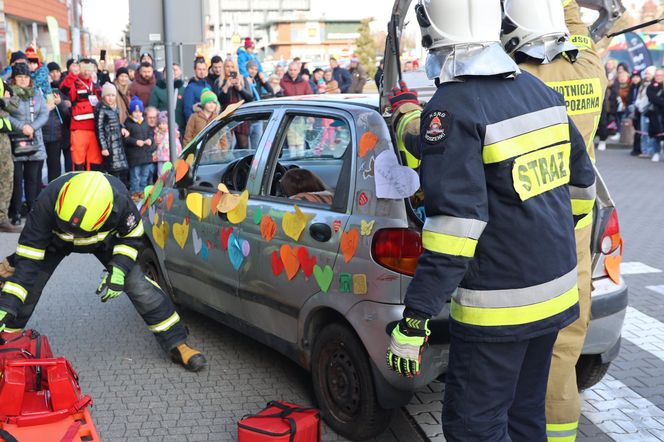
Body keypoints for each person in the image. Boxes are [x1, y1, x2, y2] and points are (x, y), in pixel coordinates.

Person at [386, 2, 595, 441]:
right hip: (556, 293)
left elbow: (454, 230)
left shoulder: (452, 108)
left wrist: (415, 319)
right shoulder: (541, 94)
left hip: (499, 308)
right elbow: (582, 189)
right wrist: (534, 232)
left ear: (432, 30)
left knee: (473, 427)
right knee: (524, 416)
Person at [501, 1, 609, 439]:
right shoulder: (590, 70)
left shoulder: (519, 80)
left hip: (527, 230)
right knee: (565, 347)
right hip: (577, 230)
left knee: (514, 351)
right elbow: (578, 33)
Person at [0, 171, 206, 371]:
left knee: (137, 285)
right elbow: (29, 263)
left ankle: (176, 342)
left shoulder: (122, 203)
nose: (75, 235)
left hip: (105, 243)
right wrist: (7, 306)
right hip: (54, 241)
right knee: (29, 283)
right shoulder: (45, 202)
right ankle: (7, 341)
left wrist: (118, 270)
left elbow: (132, 239)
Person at [7, 63, 49, 227]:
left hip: (35, 141)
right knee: (16, 180)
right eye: (20, 77)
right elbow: (6, 115)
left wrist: (32, 127)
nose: (23, 80)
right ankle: (15, 211)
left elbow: (44, 113)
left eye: (26, 77)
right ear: (14, 79)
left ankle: (33, 210)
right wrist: (22, 127)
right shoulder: (10, 95)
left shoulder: (37, 93)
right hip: (16, 142)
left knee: (33, 180)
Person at [60, 58, 103, 171]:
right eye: (83, 69)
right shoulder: (74, 82)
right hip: (79, 129)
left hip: (94, 128)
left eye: (89, 70)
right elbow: (63, 90)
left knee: (95, 160)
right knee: (78, 160)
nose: (86, 72)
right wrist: (72, 75)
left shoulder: (95, 82)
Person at [96, 82, 129, 188]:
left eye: (113, 95)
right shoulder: (102, 110)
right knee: (113, 169)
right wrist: (104, 147)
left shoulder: (115, 109)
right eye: (108, 95)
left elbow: (118, 123)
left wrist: (123, 128)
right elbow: (99, 129)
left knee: (122, 169)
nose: (110, 98)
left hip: (118, 142)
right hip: (110, 143)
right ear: (103, 96)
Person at [0, 79, 22, 233]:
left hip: (2, 138)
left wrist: (4, 102)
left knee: (6, 177)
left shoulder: (2, 82)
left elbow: (13, 103)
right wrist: (3, 102)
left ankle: (2, 218)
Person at [124, 97, 155, 200]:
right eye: (135, 112)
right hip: (134, 156)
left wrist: (150, 139)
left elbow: (150, 133)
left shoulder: (145, 122)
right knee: (135, 175)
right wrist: (135, 142)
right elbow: (126, 139)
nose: (138, 114)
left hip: (145, 154)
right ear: (131, 112)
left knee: (144, 174)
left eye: (139, 112)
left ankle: (142, 190)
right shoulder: (128, 123)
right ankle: (135, 191)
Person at [42, 74, 71, 181]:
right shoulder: (37, 93)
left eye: (47, 79)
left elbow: (66, 113)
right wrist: (45, 109)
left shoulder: (55, 92)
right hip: (40, 134)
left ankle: (54, 189)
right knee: (37, 168)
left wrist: (60, 103)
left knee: (55, 166)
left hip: (55, 135)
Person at [149, 64, 186, 137]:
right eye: (167, 73)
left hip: (180, 127)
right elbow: (152, 109)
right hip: (162, 129)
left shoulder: (182, 89)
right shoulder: (157, 90)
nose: (169, 75)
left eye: (171, 73)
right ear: (163, 74)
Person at [183, 58, 212, 122]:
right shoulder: (190, 88)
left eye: (204, 69)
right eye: (199, 69)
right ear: (194, 70)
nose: (202, 72)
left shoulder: (208, 86)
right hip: (197, 123)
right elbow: (187, 110)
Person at [646, 68, 664, 163]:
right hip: (655, 114)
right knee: (656, 133)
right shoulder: (651, 86)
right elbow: (652, 97)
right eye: (657, 75)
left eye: (661, 75)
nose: (658, 77)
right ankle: (656, 153)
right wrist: (661, 101)